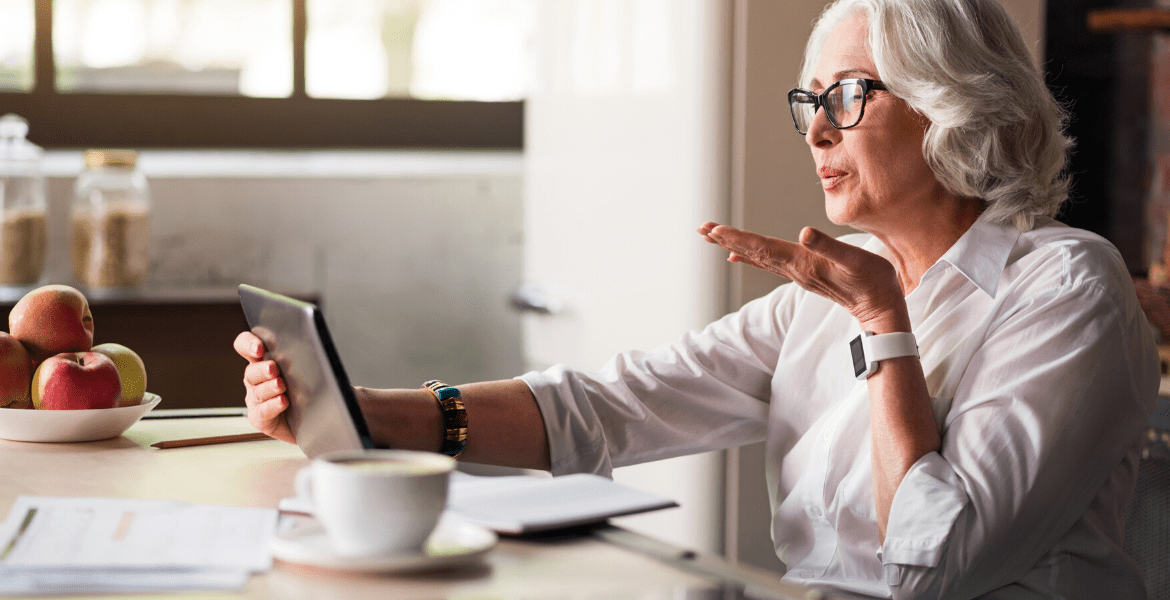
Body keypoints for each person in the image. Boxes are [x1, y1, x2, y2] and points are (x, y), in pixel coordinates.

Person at [235, 0, 1160, 597]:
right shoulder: (835, 284)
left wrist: (886, 328)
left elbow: (933, 563)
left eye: (847, 95)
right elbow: (610, 405)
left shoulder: (1067, 287)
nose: (818, 131)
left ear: (955, 101)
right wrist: (361, 417)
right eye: (810, 102)